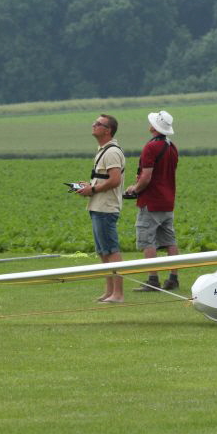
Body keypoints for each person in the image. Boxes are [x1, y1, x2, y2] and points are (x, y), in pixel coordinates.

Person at [124, 110, 180, 292]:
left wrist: (134, 188)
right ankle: (173, 278)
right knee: (170, 241)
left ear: (154, 127)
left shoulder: (151, 147)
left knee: (147, 240)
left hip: (151, 201)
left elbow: (147, 177)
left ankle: (152, 280)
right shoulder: (172, 147)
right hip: (168, 200)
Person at [77, 114, 126, 303]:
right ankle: (110, 291)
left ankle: (118, 294)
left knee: (112, 251)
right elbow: (106, 177)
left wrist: (93, 189)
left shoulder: (112, 152)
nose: (93, 125)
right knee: (103, 251)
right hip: (98, 206)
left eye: (98, 124)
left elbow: (115, 180)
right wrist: (89, 185)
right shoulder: (103, 150)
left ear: (108, 130)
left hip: (106, 208)